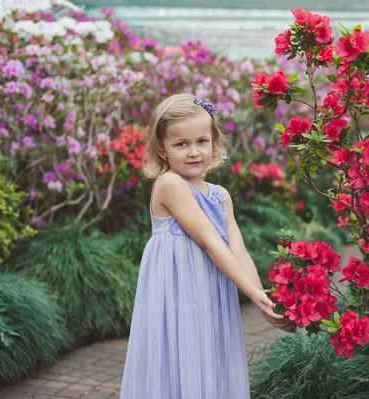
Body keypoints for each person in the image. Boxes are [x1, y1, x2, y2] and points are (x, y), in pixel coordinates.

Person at [120, 93, 293, 398]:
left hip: (210, 290)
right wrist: (251, 293)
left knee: (209, 355)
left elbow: (237, 249)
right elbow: (211, 242)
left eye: (201, 141)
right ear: (163, 147)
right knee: (179, 355)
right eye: (181, 144)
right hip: (177, 291)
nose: (193, 152)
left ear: (214, 142)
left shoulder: (220, 195)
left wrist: (262, 295)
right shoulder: (169, 185)